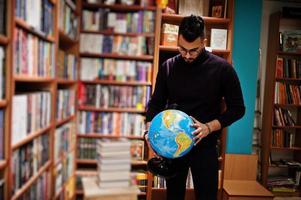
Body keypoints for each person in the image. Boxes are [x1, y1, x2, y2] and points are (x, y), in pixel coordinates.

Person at [144, 15, 245, 200]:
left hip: (205, 147)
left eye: (194, 50)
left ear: (204, 42)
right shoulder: (168, 67)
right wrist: (149, 130)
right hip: (174, 146)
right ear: (178, 40)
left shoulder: (223, 69)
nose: (187, 55)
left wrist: (209, 127)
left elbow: (238, 109)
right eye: (182, 49)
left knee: (207, 196)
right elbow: (156, 103)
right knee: (174, 196)